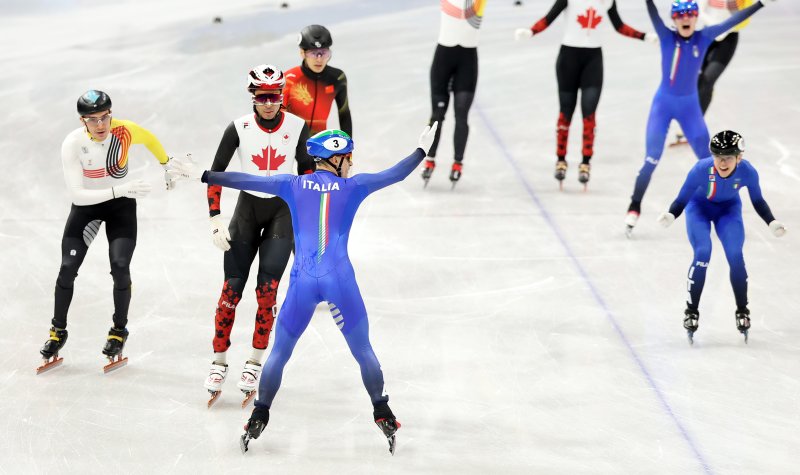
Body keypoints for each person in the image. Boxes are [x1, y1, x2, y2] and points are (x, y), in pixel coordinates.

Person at [168, 123, 439, 454]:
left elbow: (246, 181)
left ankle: (260, 414)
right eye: (348, 157)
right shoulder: (356, 186)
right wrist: (421, 150)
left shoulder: (291, 184)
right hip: (340, 281)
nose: (352, 163)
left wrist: (205, 175)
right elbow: (396, 173)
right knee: (363, 350)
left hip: (303, 283)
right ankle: (382, 412)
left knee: (280, 353)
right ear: (335, 159)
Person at [202, 64, 315, 405]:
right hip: (246, 214)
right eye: (262, 97)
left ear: (282, 97)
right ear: (253, 97)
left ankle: (253, 362)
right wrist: (215, 218)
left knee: (267, 293)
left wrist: (307, 226)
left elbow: (309, 178)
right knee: (229, 293)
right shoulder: (238, 128)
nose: (269, 104)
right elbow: (215, 174)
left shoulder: (298, 127)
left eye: (274, 97)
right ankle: (219, 361)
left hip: (282, 213)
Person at [38, 90, 171, 372]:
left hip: (121, 208)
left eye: (105, 118)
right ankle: (57, 331)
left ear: (111, 114)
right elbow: (77, 195)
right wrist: (119, 189)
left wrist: (166, 163)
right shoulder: (73, 143)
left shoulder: (124, 131)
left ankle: (118, 331)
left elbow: (150, 139)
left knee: (121, 267)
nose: (101, 125)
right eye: (93, 120)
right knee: (67, 269)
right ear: (82, 121)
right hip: (89, 207)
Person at [624, 0, 769, 235]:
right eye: (680, 16)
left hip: (689, 107)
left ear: (695, 17)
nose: (685, 19)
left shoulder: (704, 36)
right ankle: (634, 204)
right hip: (663, 105)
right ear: (674, 20)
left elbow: (733, 20)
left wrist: (760, 3)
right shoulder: (666, 36)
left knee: (711, 160)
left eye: (690, 15)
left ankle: (721, 205)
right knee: (651, 159)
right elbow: (652, 13)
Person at [656, 130, 786, 343]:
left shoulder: (748, 172)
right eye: (718, 157)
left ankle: (742, 309)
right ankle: (691, 310)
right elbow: (682, 197)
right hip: (698, 208)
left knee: (735, 255)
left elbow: (758, 201)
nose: (722, 163)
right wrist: (672, 214)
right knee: (703, 252)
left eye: (727, 158)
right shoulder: (701, 169)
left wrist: (771, 221)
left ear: (739, 157)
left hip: (728, 210)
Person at [515, 0, 655, 189]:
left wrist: (644, 36)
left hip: (593, 62)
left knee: (589, 114)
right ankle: (561, 159)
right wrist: (531, 31)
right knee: (566, 112)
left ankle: (585, 162)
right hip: (568, 61)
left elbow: (619, 26)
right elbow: (549, 18)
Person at [671, 0, 755, 146]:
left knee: (708, 80)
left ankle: (694, 128)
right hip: (708, 35)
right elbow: (699, 11)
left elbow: (744, 20)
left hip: (728, 39)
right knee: (698, 82)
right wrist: (715, 27)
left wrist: (733, 14)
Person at [421, 0, 485, 187]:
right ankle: (430, 159)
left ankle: (458, 162)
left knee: (461, 114)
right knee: (437, 115)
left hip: (467, 60)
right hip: (444, 58)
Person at [283, 25, 352, 137]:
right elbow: (277, 117)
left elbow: (344, 114)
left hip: (319, 144)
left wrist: (347, 149)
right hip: (290, 142)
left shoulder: (337, 78)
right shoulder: (289, 79)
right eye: (313, 53)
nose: (319, 59)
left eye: (324, 53)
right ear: (302, 53)